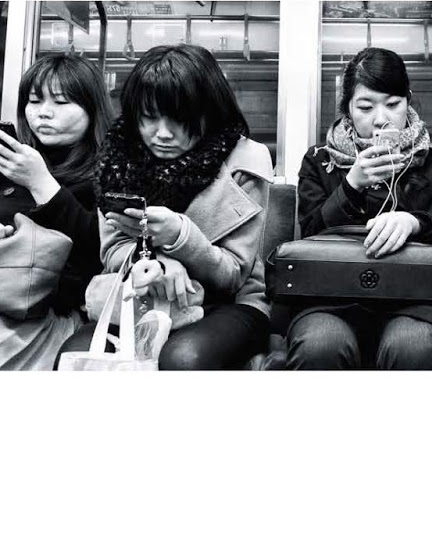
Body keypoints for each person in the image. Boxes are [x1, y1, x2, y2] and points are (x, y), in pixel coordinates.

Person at [51, 44, 274, 370]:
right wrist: (155, 262)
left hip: (229, 303)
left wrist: (180, 237)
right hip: (138, 296)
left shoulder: (245, 159)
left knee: (184, 358)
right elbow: (112, 251)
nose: (163, 134)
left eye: (180, 120)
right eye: (149, 118)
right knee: (75, 355)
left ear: (210, 112)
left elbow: (233, 275)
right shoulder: (118, 159)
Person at [284, 48, 432, 370]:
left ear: (408, 101)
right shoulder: (319, 160)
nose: (381, 119)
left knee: (413, 346)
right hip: (330, 295)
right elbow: (309, 232)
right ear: (348, 109)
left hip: (416, 297)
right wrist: (351, 185)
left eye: (393, 104)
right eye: (365, 107)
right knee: (320, 344)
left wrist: (412, 222)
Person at [0, 52, 114, 370]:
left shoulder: (110, 171)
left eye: (61, 102)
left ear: (92, 109)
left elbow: (100, 255)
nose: (44, 113)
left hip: (46, 317)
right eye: (35, 101)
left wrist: (41, 183)